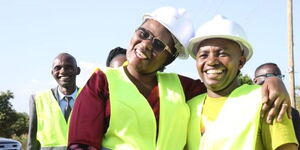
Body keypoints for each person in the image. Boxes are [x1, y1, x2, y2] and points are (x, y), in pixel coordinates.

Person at [68, 7, 292, 150]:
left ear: (170, 58)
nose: (145, 44)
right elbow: (80, 145)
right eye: (143, 33)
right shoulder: (101, 82)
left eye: (158, 44)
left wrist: (272, 80)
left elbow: (222, 90)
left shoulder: (184, 89)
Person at [186, 15, 298, 150]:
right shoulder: (188, 107)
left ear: (241, 62)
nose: (211, 62)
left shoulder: (267, 100)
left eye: (222, 54)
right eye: (203, 55)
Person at [27, 53, 81, 150]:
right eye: (58, 68)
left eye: (69, 67)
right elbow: (32, 141)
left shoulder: (90, 98)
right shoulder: (37, 99)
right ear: (52, 73)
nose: (63, 71)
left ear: (78, 71)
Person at [254, 62, 300, 148]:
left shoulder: (292, 113)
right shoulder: (243, 105)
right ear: (255, 81)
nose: (274, 80)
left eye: (279, 77)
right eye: (269, 76)